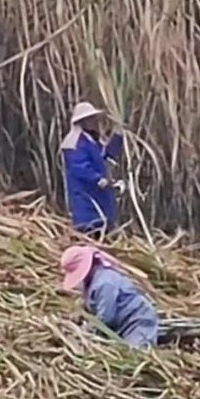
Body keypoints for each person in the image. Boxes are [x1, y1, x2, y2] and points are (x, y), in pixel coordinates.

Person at [60, 244, 159, 348]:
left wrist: (87, 330)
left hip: (137, 322)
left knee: (136, 354)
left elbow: (105, 318)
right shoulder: (90, 283)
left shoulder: (105, 283)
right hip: (120, 326)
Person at [60, 102, 125, 237]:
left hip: (99, 193)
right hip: (86, 193)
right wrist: (97, 178)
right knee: (89, 225)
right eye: (90, 118)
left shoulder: (92, 140)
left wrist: (118, 136)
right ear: (82, 121)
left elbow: (106, 154)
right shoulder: (75, 142)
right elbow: (79, 166)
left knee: (102, 224)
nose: (93, 121)